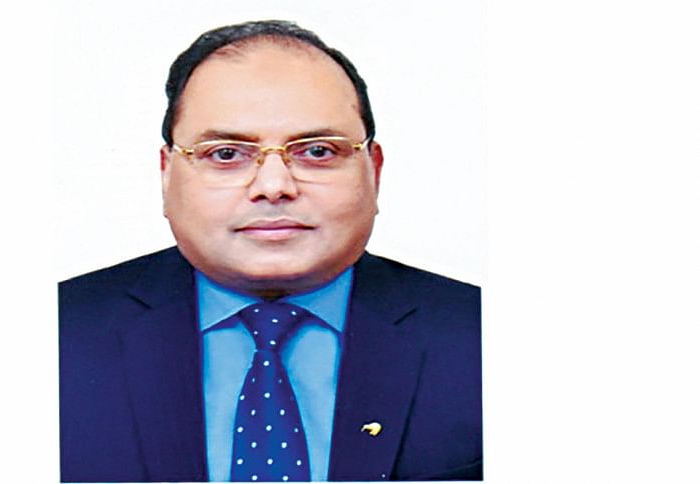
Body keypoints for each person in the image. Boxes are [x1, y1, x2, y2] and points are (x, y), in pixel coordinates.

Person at [59, 20, 481, 482]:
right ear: (166, 174)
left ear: (373, 170)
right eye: (225, 154)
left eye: (317, 151)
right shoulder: (56, 336)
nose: (275, 185)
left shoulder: (481, 335)